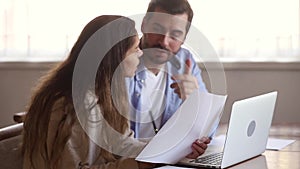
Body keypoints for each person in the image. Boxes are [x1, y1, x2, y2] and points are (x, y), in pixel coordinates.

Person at [22, 15, 207, 169]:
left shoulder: (106, 93)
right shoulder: (69, 105)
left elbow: (123, 145)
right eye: (135, 49)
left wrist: (175, 148)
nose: (141, 53)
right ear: (115, 57)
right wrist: (141, 164)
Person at [127, 0, 212, 158]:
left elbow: (209, 126)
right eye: (157, 29)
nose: (164, 42)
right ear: (144, 24)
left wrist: (194, 101)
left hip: (169, 159)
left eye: (175, 35)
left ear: (184, 38)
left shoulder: (185, 61)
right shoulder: (123, 61)